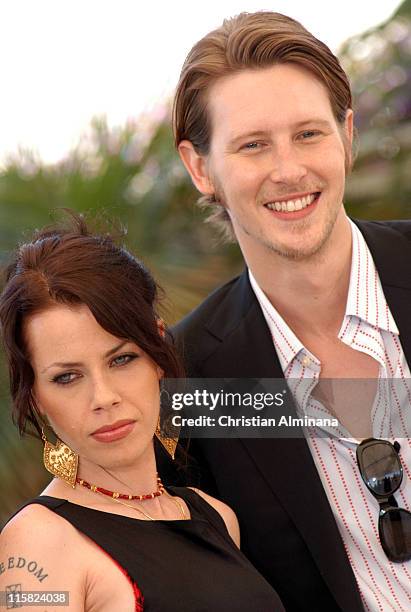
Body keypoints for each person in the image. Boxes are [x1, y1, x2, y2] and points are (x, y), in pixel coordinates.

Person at [165, 11, 411, 612]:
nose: (288, 170)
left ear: (347, 135)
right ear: (201, 168)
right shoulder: (196, 377)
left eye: (309, 134)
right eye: (252, 145)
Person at [0, 214, 284, 611]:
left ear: (158, 357)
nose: (104, 397)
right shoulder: (39, 543)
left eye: (122, 360)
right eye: (67, 377)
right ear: (36, 399)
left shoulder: (216, 517)